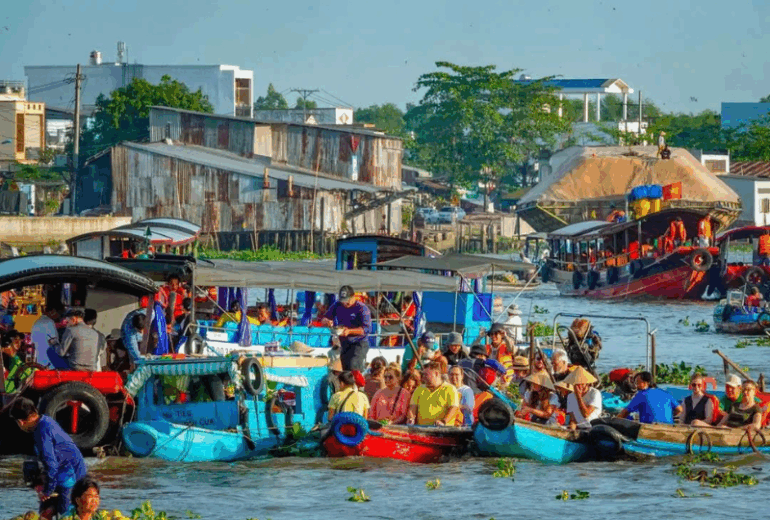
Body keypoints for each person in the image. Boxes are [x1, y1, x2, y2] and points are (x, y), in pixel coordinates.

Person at [9, 398, 88, 517]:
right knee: (45, 509)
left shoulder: (41, 432)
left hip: (71, 476)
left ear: (20, 422)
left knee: (65, 515)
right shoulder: (45, 420)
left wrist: (47, 491)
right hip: (64, 471)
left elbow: (51, 465)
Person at [322, 285, 372, 371]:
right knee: (345, 370)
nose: (345, 303)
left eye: (347, 300)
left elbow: (367, 329)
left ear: (353, 297)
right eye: (343, 301)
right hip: (344, 343)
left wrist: (350, 331)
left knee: (354, 367)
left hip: (359, 343)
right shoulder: (337, 305)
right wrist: (327, 321)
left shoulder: (362, 308)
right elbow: (325, 318)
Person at [616, 371, 681, 424]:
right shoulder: (665, 393)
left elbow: (624, 413)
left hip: (649, 428)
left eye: (638, 382)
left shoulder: (641, 395)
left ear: (646, 383)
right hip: (668, 426)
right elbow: (679, 410)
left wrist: (614, 420)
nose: (636, 385)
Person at [407, 362, 460, 426]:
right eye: (423, 375)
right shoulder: (419, 389)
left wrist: (443, 422)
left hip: (442, 429)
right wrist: (411, 418)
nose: (423, 378)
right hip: (421, 429)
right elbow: (412, 407)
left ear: (436, 374)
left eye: (426, 375)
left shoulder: (450, 389)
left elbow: (454, 408)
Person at [31, 303, 63, 368]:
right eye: (59, 313)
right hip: (50, 364)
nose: (59, 317)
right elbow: (54, 344)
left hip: (39, 362)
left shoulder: (37, 322)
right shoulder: (49, 322)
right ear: (53, 311)